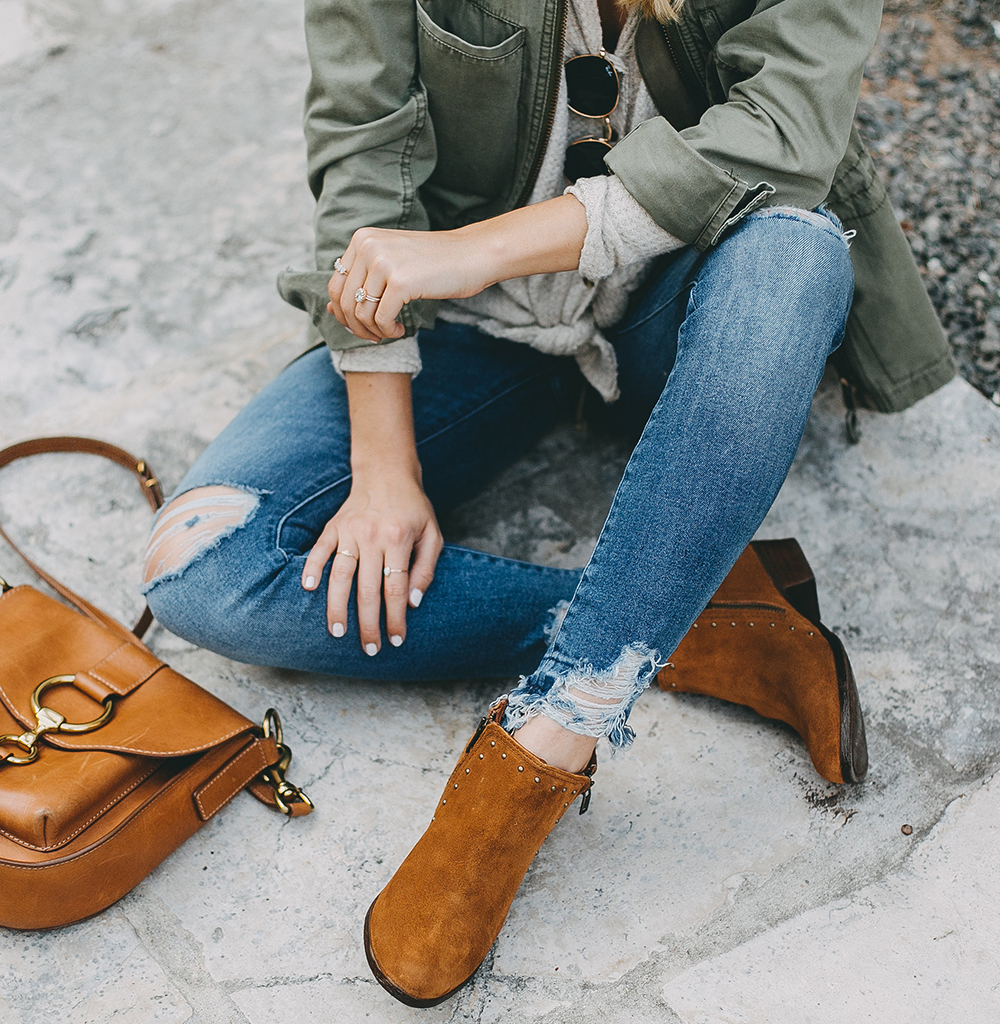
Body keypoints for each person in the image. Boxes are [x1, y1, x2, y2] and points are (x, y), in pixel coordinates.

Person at [141, 0, 953, 1007]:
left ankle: (553, 726)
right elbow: (364, 142)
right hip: (466, 331)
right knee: (203, 561)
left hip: (677, 297)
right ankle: (698, 622)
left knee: (796, 251)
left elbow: (784, 133)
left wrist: (490, 245)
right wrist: (384, 460)